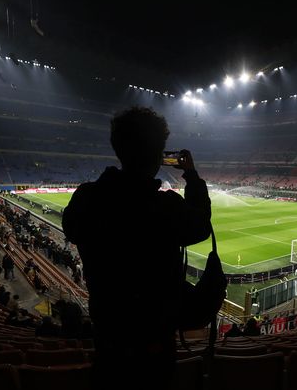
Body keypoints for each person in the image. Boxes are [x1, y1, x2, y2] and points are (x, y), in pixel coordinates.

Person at [62, 107, 212, 389]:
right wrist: (191, 175)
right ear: (158, 156)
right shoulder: (165, 207)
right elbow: (201, 225)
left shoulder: (87, 199)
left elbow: (73, 227)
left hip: (108, 344)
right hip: (155, 349)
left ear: (118, 149)